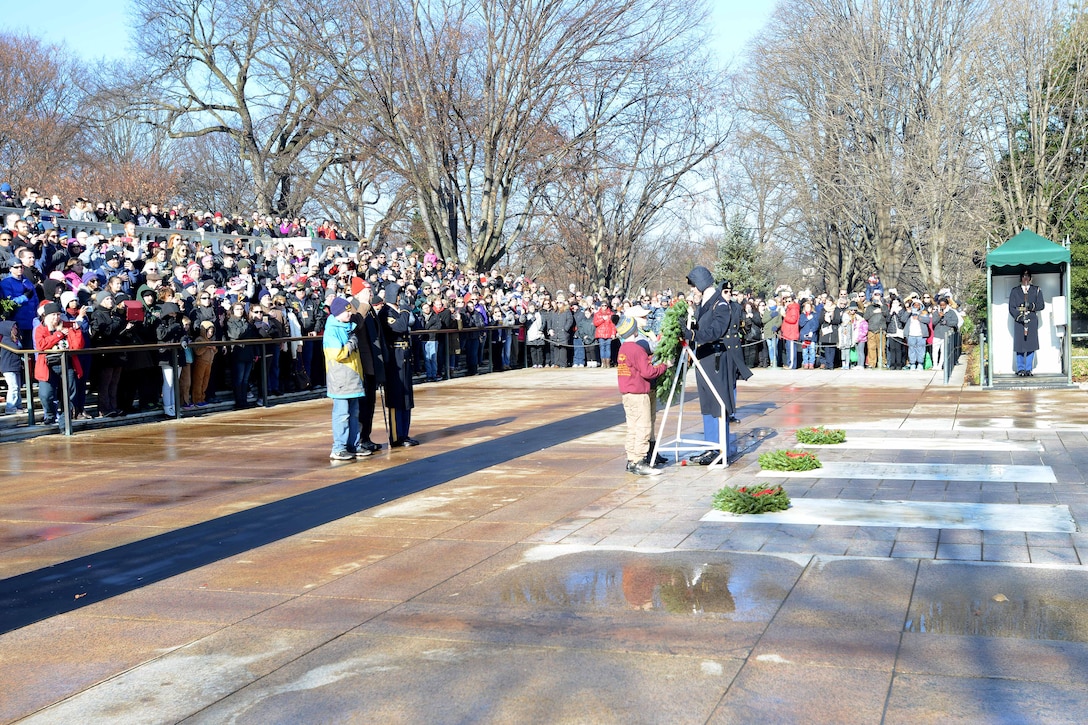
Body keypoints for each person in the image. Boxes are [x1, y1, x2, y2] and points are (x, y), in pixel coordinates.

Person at [683, 266, 752, 466]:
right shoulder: (706, 303)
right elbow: (704, 327)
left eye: (694, 286)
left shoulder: (720, 304)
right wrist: (688, 327)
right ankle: (710, 447)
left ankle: (720, 447)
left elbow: (715, 331)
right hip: (704, 358)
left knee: (717, 404)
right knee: (707, 404)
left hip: (716, 359)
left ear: (702, 284)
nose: (693, 291)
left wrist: (693, 335)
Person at [616, 314, 669, 476]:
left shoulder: (623, 348)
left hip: (627, 394)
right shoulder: (637, 350)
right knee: (644, 427)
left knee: (632, 427)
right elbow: (648, 372)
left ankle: (631, 459)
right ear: (634, 330)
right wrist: (664, 366)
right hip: (639, 393)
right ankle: (640, 461)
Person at [323, 296, 368, 461]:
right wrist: (351, 343)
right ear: (338, 313)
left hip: (353, 377)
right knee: (341, 414)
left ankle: (353, 445)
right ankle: (339, 447)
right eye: (346, 311)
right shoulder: (332, 330)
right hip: (340, 378)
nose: (350, 314)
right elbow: (337, 354)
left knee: (354, 414)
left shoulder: (348, 327)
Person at [380, 283, 418, 446]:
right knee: (396, 397)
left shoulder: (399, 311)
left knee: (406, 396)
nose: (400, 298)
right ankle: (396, 436)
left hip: (404, 357)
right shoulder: (385, 312)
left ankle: (405, 434)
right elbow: (401, 327)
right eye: (398, 294)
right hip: (394, 359)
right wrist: (404, 309)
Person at [1009, 268, 1045, 377]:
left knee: (1031, 345)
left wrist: (1031, 306)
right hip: (1020, 321)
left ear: (1030, 278)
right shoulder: (1015, 291)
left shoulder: (1036, 290)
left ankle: (1028, 369)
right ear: (1021, 278)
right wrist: (1019, 317)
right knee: (1020, 345)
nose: (1026, 278)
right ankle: (1020, 369)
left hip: (1032, 320)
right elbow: (1012, 307)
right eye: (1024, 276)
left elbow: (1041, 305)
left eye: (1028, 276)